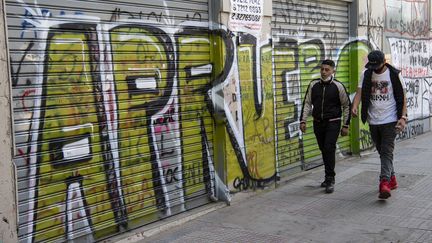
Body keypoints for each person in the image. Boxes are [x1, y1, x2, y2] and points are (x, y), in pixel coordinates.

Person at [351, 50, 407, 199]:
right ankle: (392, 179)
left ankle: (384, 183)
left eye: (377, 65)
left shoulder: (394, 74)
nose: (374, 68)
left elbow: (403, 97)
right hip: (373, 120)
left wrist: (403, 117)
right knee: (382, 152)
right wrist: (355, 106)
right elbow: (359, 92)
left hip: (390, 120)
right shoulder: (367, 73)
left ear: (383, 62)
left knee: (387, 151)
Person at [300, 59, 351, 193]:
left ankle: (330, 179)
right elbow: (307, 103)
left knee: (329, 148)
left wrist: (346, 125)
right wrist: (303, 121)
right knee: (324, 149)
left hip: (333, 122)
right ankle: (328, 176)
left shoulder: (338, 86)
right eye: (322, 69)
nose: (323, 72)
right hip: (318, 123)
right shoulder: (313, 85)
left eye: (327, 69)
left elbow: (347, 105)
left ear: (333, 71)